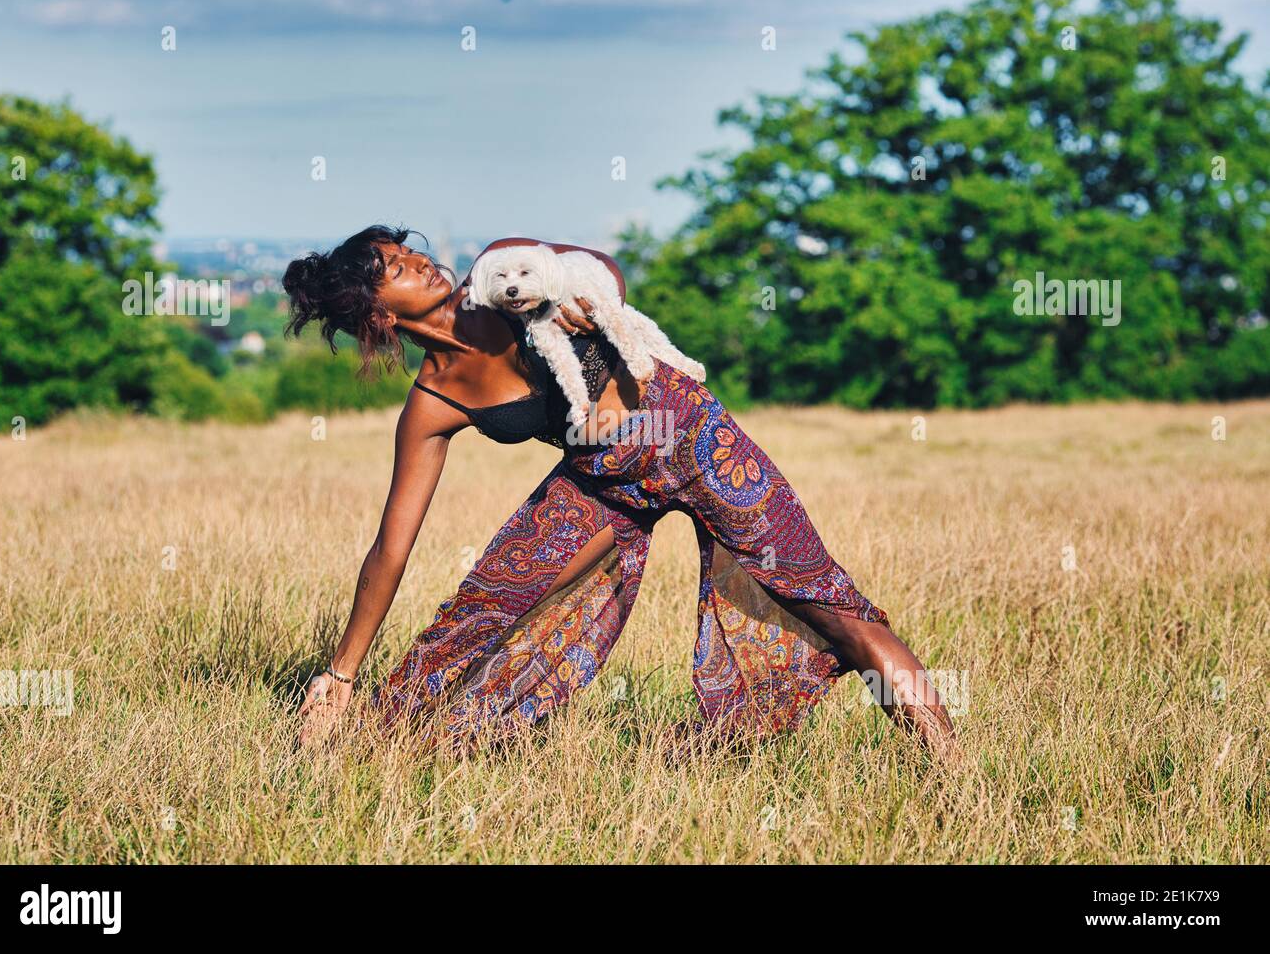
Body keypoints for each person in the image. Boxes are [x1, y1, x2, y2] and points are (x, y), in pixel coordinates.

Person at [283, 225, 957, 757]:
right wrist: (341, 671)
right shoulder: (431, 403)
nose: (419, 265)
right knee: (484, 602)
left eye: (408, 253)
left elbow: (601, 264)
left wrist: (598, 339)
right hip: (603, 483)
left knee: (828, 605)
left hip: (695, 440)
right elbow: (390, 548)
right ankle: (375, 742)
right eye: (394, 270)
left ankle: (953, 778)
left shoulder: (500, 275)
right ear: (374, 313)